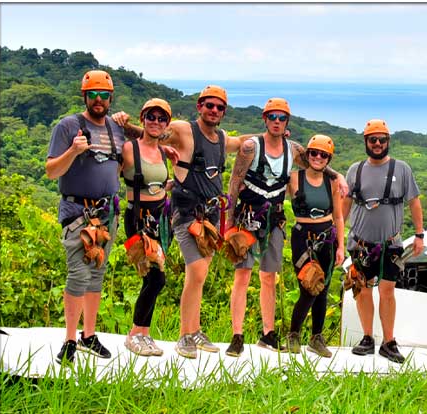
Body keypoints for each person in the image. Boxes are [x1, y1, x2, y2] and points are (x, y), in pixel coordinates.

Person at [124, 85, 252, 359]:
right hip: (186, 212)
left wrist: (270, 135)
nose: (214, 110)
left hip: (210, 216)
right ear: (199, 106)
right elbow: (153, 134)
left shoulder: (221, 138)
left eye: (219, 107)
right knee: (195, 273)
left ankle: (194, 330)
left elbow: (240, 142)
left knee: (201, 275)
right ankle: (184, 334)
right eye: (209, 105)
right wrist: (125, 125)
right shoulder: (184, 129)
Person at [224, 98, 347, 357]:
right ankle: (237, 335)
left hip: (275, 220)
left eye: (282, 118)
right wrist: (229, 222)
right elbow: (235, 183)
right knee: (242, 276)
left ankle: (268, 334)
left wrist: (338, 176)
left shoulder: (293, 150)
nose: (277, 121)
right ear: (265, 119)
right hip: (247, 218)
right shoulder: (250, 147)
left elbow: (318, 162)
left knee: (269, 277)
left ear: (287, 122)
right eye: (273, 117)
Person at [46, 70, 133, 364]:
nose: (99, 100)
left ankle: (89, 335)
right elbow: (51, 171)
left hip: (107, 212)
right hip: (77, 213)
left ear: (111, 98)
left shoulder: (116, 128)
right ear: (84, 96)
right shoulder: (68, 126)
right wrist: (73, 150)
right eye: (93, 94)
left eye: (104, 95)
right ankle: (70, 339)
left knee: (96, 273)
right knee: (78, 274)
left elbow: (139, 148)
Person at [342, 119, 425, 363]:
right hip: (360, 242)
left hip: (391, 242)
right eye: (373, 139)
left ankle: (388, 341)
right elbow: (345, 205)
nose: (377, 144)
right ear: (366, 141)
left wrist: (419, 234)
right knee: (363, 290)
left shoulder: (402, 169)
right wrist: (336, 236)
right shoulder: (355, 170)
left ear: (388, 141)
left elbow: (414, 202)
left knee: (387, 291)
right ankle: (367, 338)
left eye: (382, 139)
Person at [121, 98, 175, 356]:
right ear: (142, 119)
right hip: (138, 218)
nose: (156, 122)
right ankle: (135, 333)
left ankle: (144, 333)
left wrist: (168, 190)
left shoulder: (164, 152)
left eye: (161, 118)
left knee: (153, 278)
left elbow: (157, 183)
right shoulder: (129, 149)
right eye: (151, 117)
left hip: (161, 219)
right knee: (155, 277)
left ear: (167, 124)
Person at [285, 135, 345, 357]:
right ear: (307, 155)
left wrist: (341, 246)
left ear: (328, 159)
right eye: (314, 153)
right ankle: (293, 335)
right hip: (303, 237)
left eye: (323, 155)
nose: (318, 158)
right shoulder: (294, 179)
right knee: (308, 286)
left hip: (326, 237)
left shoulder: (332, 182)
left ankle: (316, 338)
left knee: (323, 289)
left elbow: (338, 216)